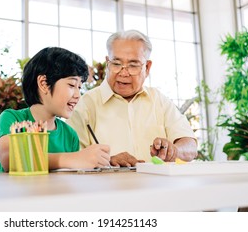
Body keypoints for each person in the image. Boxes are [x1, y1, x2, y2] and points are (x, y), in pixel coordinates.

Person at [67, 30, 197, 167]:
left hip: (158, 186)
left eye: (133, 65)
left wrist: (173, 151)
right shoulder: (86, 104)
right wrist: (107, 162)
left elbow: (190, 146)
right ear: (107, 63)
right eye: (116, 64)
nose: (123, 73)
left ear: (147, 68)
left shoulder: (159, 100)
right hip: (105, 187)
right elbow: (69, 159)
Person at [0, 47, 110, 172]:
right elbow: (10, 159)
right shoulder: (13, 119)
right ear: (43, 83)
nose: (77, 95)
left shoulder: (70, 135)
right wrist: (69, 159)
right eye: (71, 85)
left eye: (79, 87)